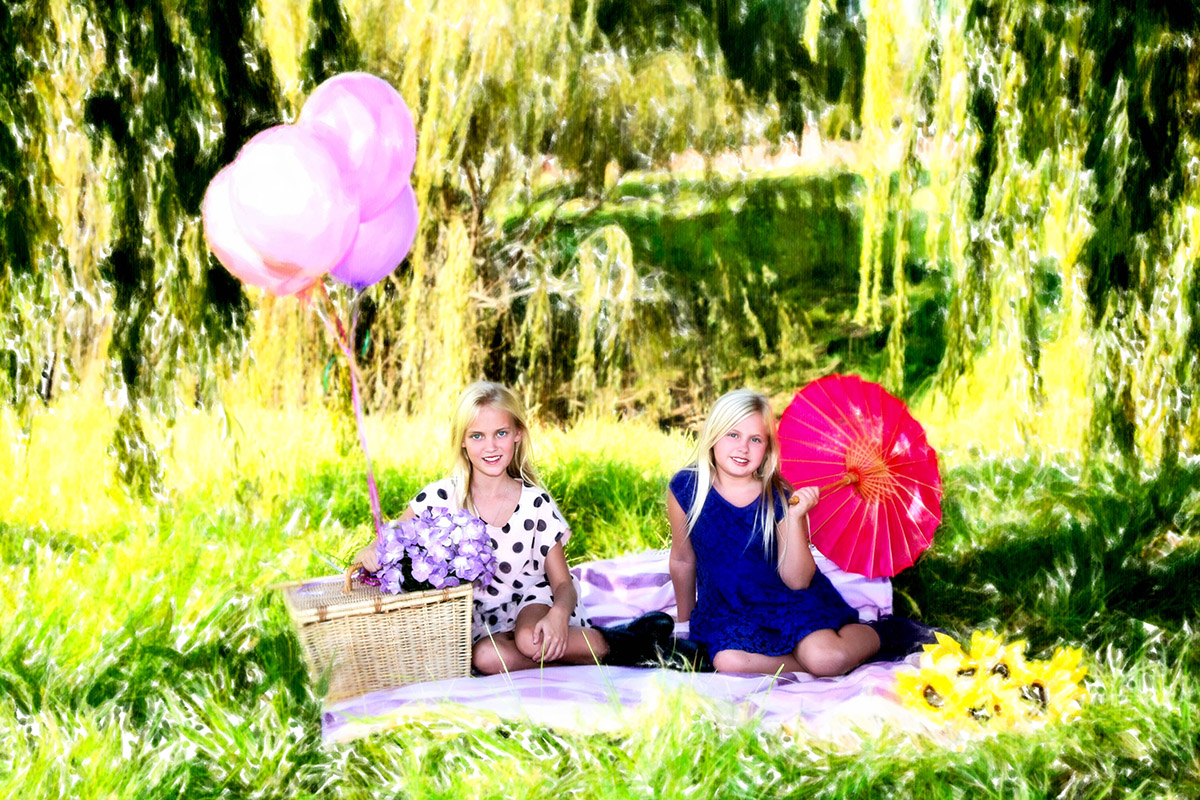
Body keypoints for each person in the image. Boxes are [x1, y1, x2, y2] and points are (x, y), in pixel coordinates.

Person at [355, 381, 671, 674]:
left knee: (529, 639)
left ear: (518, 433)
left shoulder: (535, 503)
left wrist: (558, 615)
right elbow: (384, 543)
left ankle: (628, 645)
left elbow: (562, 583)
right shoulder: (440, 498)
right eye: (477, 436)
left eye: (501, 433)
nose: (490, 446)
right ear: (462, 441)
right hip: (478, 618)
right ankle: (580, 651)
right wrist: (369, 552)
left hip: (533, 599)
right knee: (484, 658)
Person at [668, 388, 934, 676]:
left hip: (786, 601)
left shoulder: (780, 497)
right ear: (713, 435)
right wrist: (684, 626)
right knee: (727, 662)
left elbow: (797, 581)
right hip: (728, 609)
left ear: (767, 447)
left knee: (827, 659)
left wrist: (795, 518)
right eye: (733, 435)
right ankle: (810, 663)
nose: (743, 448)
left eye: (755, 439)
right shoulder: (687, 489)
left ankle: (888, 632)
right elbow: (683, 560)